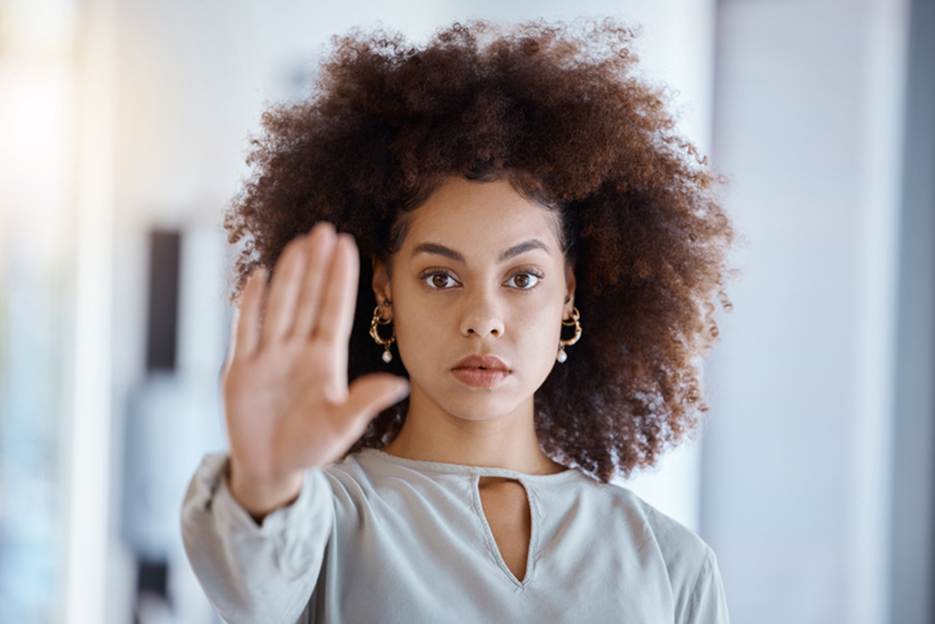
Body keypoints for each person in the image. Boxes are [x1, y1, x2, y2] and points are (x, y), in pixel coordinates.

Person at [180, 17, 736, 623]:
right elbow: (250, 584)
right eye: (440, 277)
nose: (483, 319)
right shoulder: (318, 523)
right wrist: (265, 480)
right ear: (384, 290)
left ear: (570, 293)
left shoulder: (671, 563)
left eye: (522, 278)